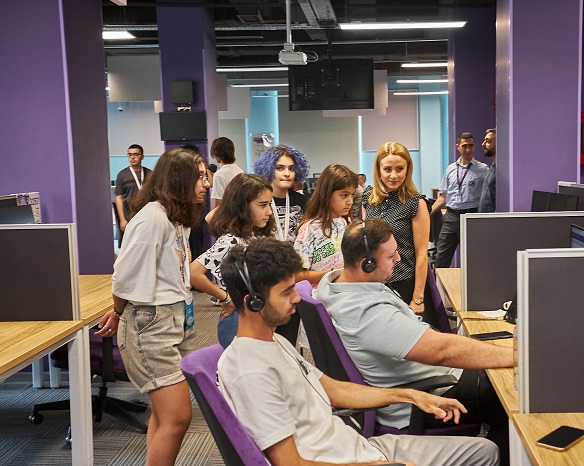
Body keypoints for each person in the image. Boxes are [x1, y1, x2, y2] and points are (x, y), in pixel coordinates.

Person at [217, 237, 499, 466]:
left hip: (358, 447)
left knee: (485, 451)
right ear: (254, 302)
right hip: (346, 461)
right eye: (286, 292)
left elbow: (335, 390)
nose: (296, 298)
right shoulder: (251, 372)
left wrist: (410, 395)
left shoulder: (274, 342)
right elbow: (292, 464)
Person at [315, 218, 513, 464]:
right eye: (391, 256)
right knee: (509, 396)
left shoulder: (335, 283)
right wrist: (517, 355)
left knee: (494, 371)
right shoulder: (365, 314)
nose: (398, 259)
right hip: (422, 397)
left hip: (420, 376)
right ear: (366, 264)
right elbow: (441, 351)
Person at [96, 147, 210, 466]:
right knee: (177, 416)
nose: (206, 184)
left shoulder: (176, 219)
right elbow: (124, 278)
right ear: (179, 179)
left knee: (164, 415)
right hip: (151, 325)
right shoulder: (152, 219)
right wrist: (119, 312)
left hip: (172, 319)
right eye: (199, 177)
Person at [190, 174, 274, 348]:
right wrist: (227, 299)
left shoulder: (251, 234)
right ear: (242, 206)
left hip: (254, 314)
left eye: (269, 204)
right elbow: (193, 273)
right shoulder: (231, 241)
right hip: (238, 320)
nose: (269, 211)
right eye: (262, 205)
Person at [362, 142, 437, 327]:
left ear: (407, 170)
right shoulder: (368, 197)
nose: (394, 175)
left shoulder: (415, 203)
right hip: (373, 284)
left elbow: (421, 253)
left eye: (399, 169)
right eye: (387, 169)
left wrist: (418, 297)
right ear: (378, 170)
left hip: (404, 283)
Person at [431, 132, 489, 268]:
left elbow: (488, 197)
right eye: (464, 146)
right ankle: (437, 283)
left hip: (471, 217)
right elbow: (443, 197)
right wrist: (426, 213)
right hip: (451, 217)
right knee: (441, 259)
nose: (468, 150)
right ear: (457, 147)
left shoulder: (483, 169)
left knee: (473, 259)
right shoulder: (450, 169)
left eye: (471, 146)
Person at [294, 164, 357, 285]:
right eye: (344, 195)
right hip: (319, 294)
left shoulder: (348, 224)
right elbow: (298, 275)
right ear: (327, 194)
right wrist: (335, 272)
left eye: (352, 195)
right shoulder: (310, 229)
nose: (350, 201)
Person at [253, 145, 309, 243]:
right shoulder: (257, 200)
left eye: (291, 169)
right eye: (280, 168)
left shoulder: (303, 201)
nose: (287, 173)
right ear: (268, 170)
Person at [114, 144, 151, 246]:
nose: (132, 157)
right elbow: (119, 197)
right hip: (130, 216)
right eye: (130, 155)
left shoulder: (150, 174)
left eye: (136, 154)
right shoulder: (122, 175)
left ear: (142, 156)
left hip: (147, 215)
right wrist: (122, 219)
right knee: (132, 245)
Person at [209, 137, 244, 207]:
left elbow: (218, 202)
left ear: (218, 154)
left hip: (227, 211)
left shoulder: (219, 174)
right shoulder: (240, 171)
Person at [478, 129, 497, 213]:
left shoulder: (502, 171)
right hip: (484, 218)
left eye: (488, 141)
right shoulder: (492, 168)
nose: (483, 144)